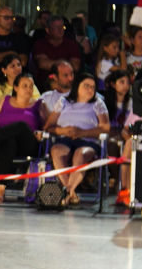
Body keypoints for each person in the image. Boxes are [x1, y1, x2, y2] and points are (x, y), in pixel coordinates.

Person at [0, 73, 44, 202]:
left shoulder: (39, 104)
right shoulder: (5, 100)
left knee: (21, 125)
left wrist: (41, 132)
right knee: (9, 141)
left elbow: (47, 126)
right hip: (2, 143)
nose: (29, 89)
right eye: (25, 86)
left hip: (27, 145)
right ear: (15, 87)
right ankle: (0, 187)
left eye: (31, 86)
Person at [44, 72, 110, 205]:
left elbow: (105, 128)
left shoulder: (97, 103)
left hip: (88, 140)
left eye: (93, 87)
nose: (90, 89)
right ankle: (71, 192)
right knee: (56, 151)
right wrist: (64, 131)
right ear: (77, 86)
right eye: (86, 86)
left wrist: (83, 133)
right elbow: (48, 126)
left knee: (80, 154)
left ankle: (67, 192)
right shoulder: (63, 102)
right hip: (66, 138)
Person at [0, 6, 30, 86]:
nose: (10, 21)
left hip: (15, 84)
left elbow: (23, 62)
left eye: (12, 18)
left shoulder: (20, 40)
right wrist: (13, 53)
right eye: (6, 18)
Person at [32, 15, 82, 82]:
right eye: (56, 27)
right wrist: (67, 63)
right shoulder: (39, 44)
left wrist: (49, 62)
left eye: (62, 27)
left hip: (67, 83)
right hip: (44, 84)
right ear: (48, 30)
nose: (60, 30)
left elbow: (75, 66)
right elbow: (42, 64)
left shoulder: (72, 44)